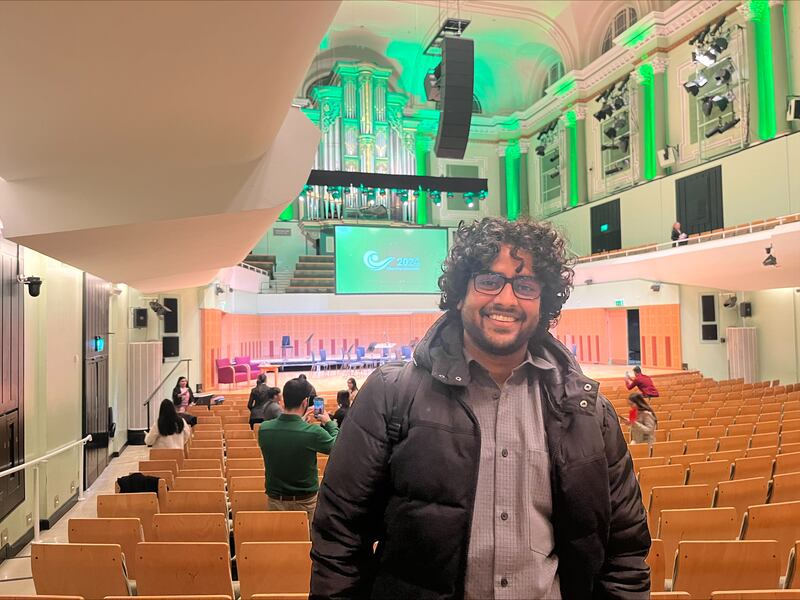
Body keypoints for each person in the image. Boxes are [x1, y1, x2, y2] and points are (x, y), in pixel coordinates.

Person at [311, 217, 650, 599]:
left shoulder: (589, 411)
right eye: (489, 280)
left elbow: (625, 551)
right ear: (460, 294)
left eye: (524, 285)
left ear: (544, 301)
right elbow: (339, 539)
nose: (506, 299)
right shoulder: (391, 394)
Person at [258, 377, 338, 523]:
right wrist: (328, 422)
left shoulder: (264, 429)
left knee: (280, 544)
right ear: (305, 402)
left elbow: (288, 434)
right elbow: (337, 447)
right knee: (307, 543)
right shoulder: (313, 432)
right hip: (306, 503)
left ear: (283, 400)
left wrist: (300, 423)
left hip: (275, 502)